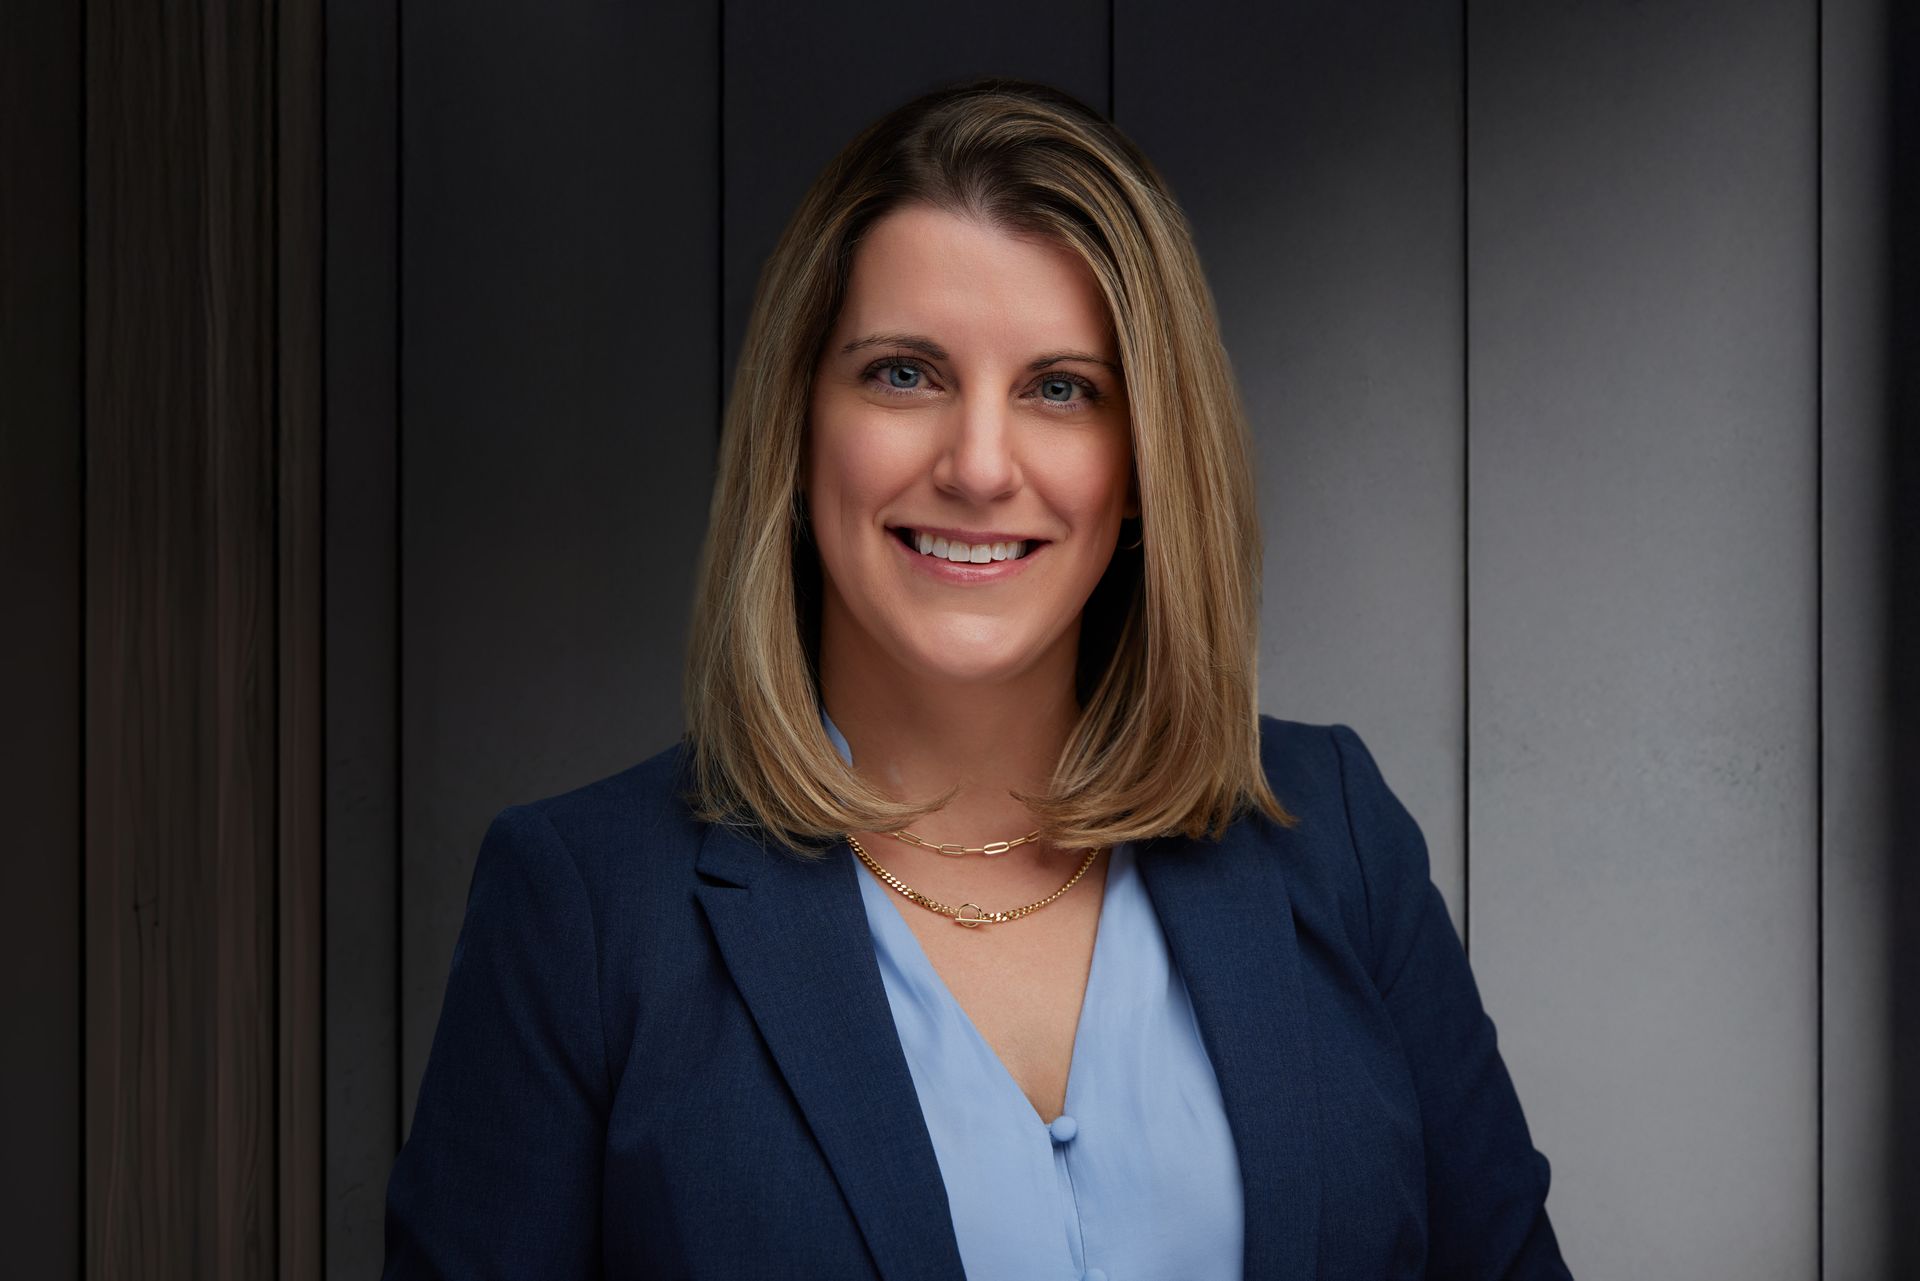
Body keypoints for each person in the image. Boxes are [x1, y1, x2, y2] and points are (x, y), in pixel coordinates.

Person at [381, 76, 1573, 1280]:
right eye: (906, 373)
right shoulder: (584, 908)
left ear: (1145, 460)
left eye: (1061, 389)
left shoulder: (1335, 833)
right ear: (798, 424)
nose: (980, 466)